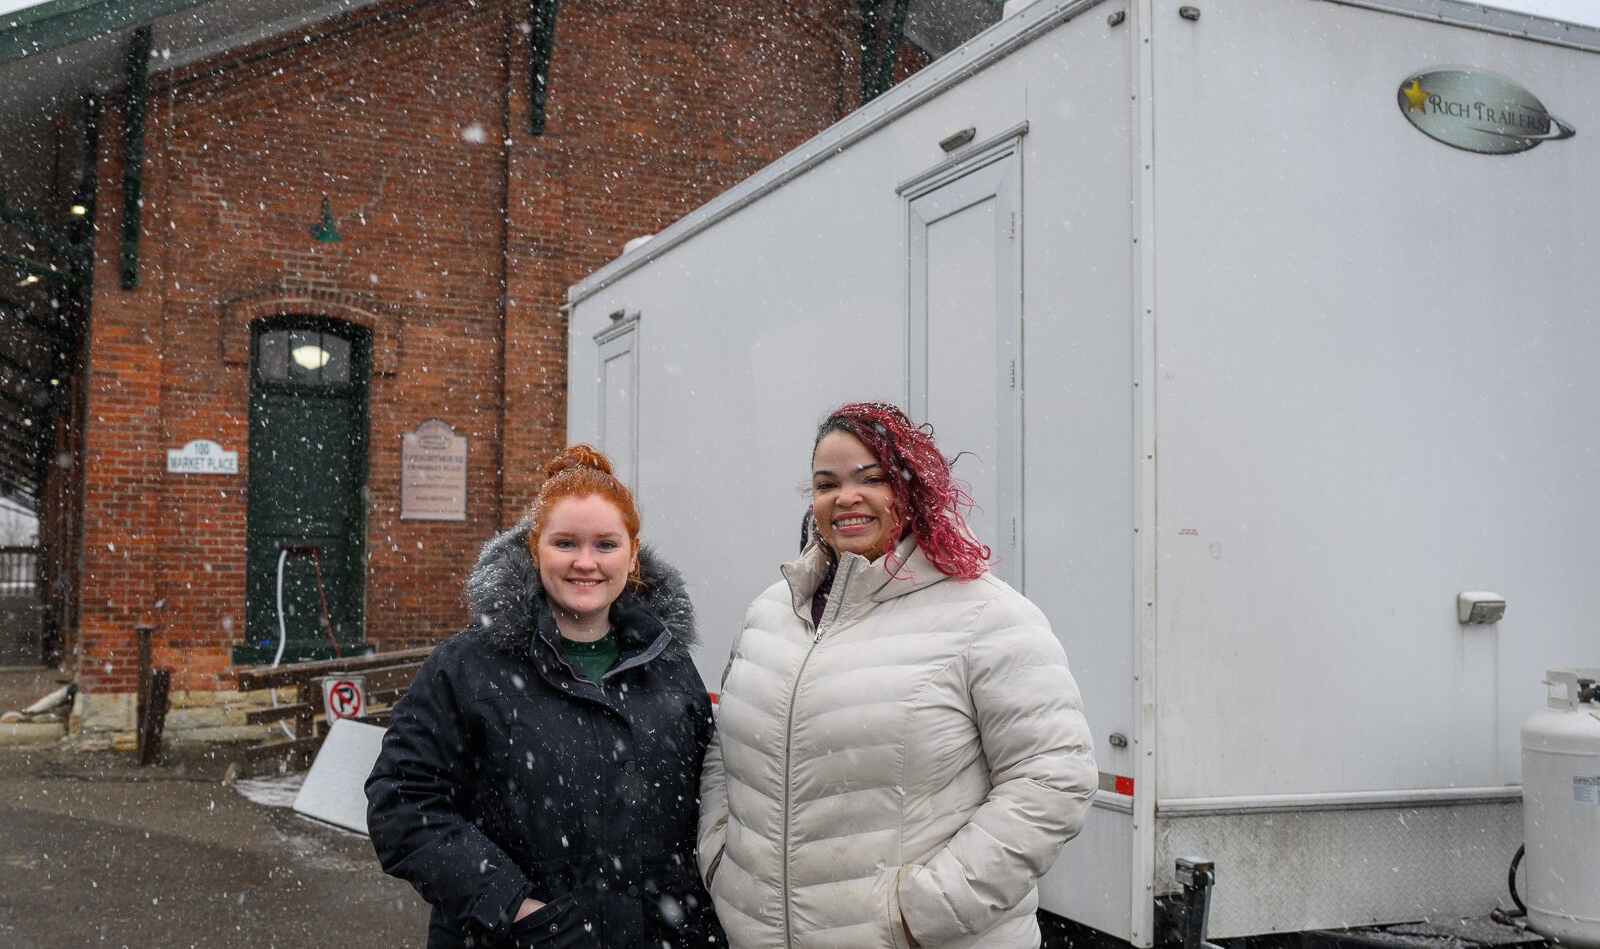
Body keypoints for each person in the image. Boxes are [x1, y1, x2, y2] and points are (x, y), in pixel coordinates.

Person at [698, 402, 1096, 949]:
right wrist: (720, 858)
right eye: (826, 483)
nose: (846, 498)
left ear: (911, 488)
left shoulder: (987, 615)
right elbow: (728, 749)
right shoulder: (771, 612)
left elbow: (1054, 778)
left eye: (872, 478)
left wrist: (924, 913)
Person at [367, 444, 724, 948]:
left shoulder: (668, 664)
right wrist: (514, 906)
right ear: (535, 548)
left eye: (605, 544)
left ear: (633, 552)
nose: (586, 563)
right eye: (565, 544)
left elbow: (705, 808)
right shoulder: (467, 667)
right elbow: (402, 803)